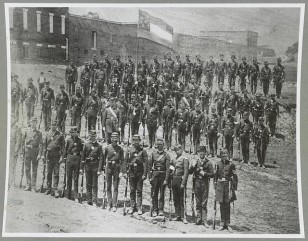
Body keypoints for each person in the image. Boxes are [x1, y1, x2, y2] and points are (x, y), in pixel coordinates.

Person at [189, 146, 214, 227]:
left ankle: (204, 220)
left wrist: (205, 174)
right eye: (200, 152)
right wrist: (192, 166)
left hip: (204, 183)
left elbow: (213, 174)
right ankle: (199, 218)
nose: (201, 153)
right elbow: (190, 172)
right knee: (198, 201)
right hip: (197, 183)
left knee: (204, 202)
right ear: (198, 153)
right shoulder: (195, 161)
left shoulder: (208, 162)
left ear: (205, 153)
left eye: (203, 152)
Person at [123, 134, 148, 215]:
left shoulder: (143, 151)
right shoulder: (129, 150)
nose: (136, 142)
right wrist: (124, 172)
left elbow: (146, 163)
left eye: (137, 140)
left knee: (139, 190)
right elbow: (125, 161)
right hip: (131, 172)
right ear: (132, 141)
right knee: (132, 190)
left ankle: (139, 207)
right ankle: (132, 206)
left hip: (140, 173)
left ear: (139, 141)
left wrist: (144, 174)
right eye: (134, 140)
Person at [214, 149, 238, 231]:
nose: (224, 155)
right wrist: (215, 187)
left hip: (228, 186)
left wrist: (234, 188)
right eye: (222, 154)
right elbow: (215, 176)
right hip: (220, 186)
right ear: (220, 155)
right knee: (221, 203)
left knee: (227, 204)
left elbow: (235, 177)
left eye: (225, 154)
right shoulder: (218, 164)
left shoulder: (231, 164)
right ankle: (222, 222)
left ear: (228, 155)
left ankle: (227, 223)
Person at [100, 132, 124, 211]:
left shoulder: (120, 149)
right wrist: (103, 170)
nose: (114, 140)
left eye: (116, 138)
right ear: (111, 139)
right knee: (108, 186)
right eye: (113, 138)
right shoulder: (107, 148)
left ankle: (114, 204)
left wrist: (121, 171)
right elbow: (103, 159)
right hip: (109, 168)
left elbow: (122, 161)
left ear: (117, 139)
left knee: (115, 187)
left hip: (116, 168)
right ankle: (109, 203)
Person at [148, 138, 171, 217]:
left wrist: (166, 179)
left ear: (163, 145)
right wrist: (150, 177)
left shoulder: (166, 155)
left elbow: (168, 168)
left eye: (161, 145)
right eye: (158, 145)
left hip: (163, 175)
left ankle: (161, 209)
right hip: (155, 175)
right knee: (154, 193)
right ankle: (155, 209)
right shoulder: (153, 154)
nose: (159, 146)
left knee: (161, 194)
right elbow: (150, 166)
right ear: (156, 145)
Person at [81, 130, 104, 206]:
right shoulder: (86, 144)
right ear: (89, 136)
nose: (92, 137)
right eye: (91, 136)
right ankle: (89, 200)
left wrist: (99, 169)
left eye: (94, 136)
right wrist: (81, 168)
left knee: (94, 184)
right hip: (87, 165)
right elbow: (83, 157)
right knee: (88, 183)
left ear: (96, 137)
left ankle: (94, 200)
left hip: (95, 165)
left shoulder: (99, 146)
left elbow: (101, 158)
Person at [43, 120, 65, 197]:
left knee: (56, 173)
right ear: (50, 126)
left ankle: (55, 189)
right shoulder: (47, 134)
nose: (53, 126)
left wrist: (62, 156)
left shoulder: (60, 135)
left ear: (56, 126)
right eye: (52, 125)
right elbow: (45, 146)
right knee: (49, 173)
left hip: (56, 156)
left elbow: (63, 147)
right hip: (49, 155)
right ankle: (48, 189)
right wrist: (44, 155)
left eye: (55, 125)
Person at [21, 117, 43, 192]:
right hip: (27, 151)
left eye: (35, 122)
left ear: (36, 123)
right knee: (27, 169)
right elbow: (22, 142)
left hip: (35, 152)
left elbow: (41, 144)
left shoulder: (39, 133)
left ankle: (33, 186)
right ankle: (28, 185)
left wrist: (39, 154)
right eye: (32, 122)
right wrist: (22, 152)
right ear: (30, 123)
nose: (33, 123)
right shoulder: (26, 131)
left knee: (34, 170)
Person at [63, 127, 84, 201]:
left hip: (77, 159)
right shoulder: (68, 140)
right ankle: (67, 195)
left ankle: (75, 195)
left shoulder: (81, 141)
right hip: (69, 158)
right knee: (68, 177)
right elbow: (65, 151)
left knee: (76, 178)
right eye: (73, 133)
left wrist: (81, 164)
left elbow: (82, 153)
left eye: (75, 133)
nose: (74, 134)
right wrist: (64, 160)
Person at [170, 144, 189, 224]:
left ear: (181, 150)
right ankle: (177, 215)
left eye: (179, 150)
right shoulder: (174, 159)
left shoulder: (185, 159)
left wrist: (183, 183)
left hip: (181, 180)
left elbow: (186, 172)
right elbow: (171, 169)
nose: (177, 151)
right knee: (176, 199)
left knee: (182, 199)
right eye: (176, 150)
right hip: (174, 179)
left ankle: (183, 216)